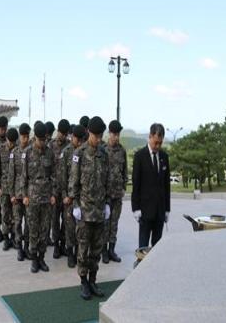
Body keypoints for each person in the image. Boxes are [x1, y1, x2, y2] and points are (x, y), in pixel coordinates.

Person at [68, 116, 111, 300]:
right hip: (84, 212)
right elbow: (73, 183)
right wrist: (76, 205)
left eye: (101, 136)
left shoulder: (104, 154)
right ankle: (83, 282)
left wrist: (108, 203)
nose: (99, 139)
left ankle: (93, 280)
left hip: (100, 212)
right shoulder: (79, 153)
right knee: (83, 250)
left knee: (96, 250)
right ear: (89, 134)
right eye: (96, 135)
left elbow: (107, 182)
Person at [20, 122, 57, 273]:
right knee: (33, 230)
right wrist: (24, 195)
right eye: (40, 140)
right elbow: (23, 176)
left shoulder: (50, 152)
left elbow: (54, 175)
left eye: (45, 140)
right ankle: (34, 259)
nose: (43, 142)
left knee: (44, 229)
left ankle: (42, 258)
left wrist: (54, 194)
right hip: (33, 198)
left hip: (46, 198)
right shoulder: (27, 153)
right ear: (35, 137)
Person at [131, 123, 170, 252]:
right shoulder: (140, 156)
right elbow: (136, 184)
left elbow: (166, 185)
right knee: (143, 247)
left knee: (157, 247)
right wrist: (135, 208)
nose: (157, 146)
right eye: (155, 143)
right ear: (150, 137)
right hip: (145, 211)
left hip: (160, 210)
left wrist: (167, 209)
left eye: (160, 143)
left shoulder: (164, 157)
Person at [102, 120, 128, 264]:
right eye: (114, 134)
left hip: (117, 194)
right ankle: (104, 251)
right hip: (105, 196)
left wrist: (124, 186)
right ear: (109, 134)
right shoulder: (103, 150)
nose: (116, 137)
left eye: (118, 134)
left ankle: (112, 250)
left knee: (114, 223)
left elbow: (125, 171)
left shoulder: (122, 151)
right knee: (105, 223)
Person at [60, 124, 86, 268]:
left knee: (81, 228)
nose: (79, 142)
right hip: (69, 197)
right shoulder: (66, 152)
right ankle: (70, 253)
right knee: (69, 227)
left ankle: (78, 253)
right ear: (72, 137)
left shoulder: (84, 152)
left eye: (81, 139)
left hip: (82, 198)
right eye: (77, 138)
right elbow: (62, 177)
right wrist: (65, 195)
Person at [48, 119, 71, 259]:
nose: (62, 135)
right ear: (57, 131)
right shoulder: (50, 146)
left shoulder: (69, 148)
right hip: (54, 190)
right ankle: (56, 245)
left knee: (66, 219)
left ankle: (63, 244)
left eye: (65, 133)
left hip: (66, 190)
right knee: (55, 219)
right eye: (61, 133)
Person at [9, 123, 31, 261]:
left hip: (28, 194)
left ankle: (27, 247)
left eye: (27, 136)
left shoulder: (31, 151)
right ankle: (19, 247)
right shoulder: (14, 153)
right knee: (17, 222)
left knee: (28, 222)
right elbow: (11, 175)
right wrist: (11, 194)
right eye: (23, 136)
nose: (25, 139)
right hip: (17, 194)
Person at [0, 127, 19, 251]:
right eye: (10, 141)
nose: (11, 144)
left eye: (13, 142)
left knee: (15, 214)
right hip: (4, 188)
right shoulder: (1, 149)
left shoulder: (18, 150)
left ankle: (14, 237)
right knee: (5, 213)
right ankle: (6, 238)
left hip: (15, 189)